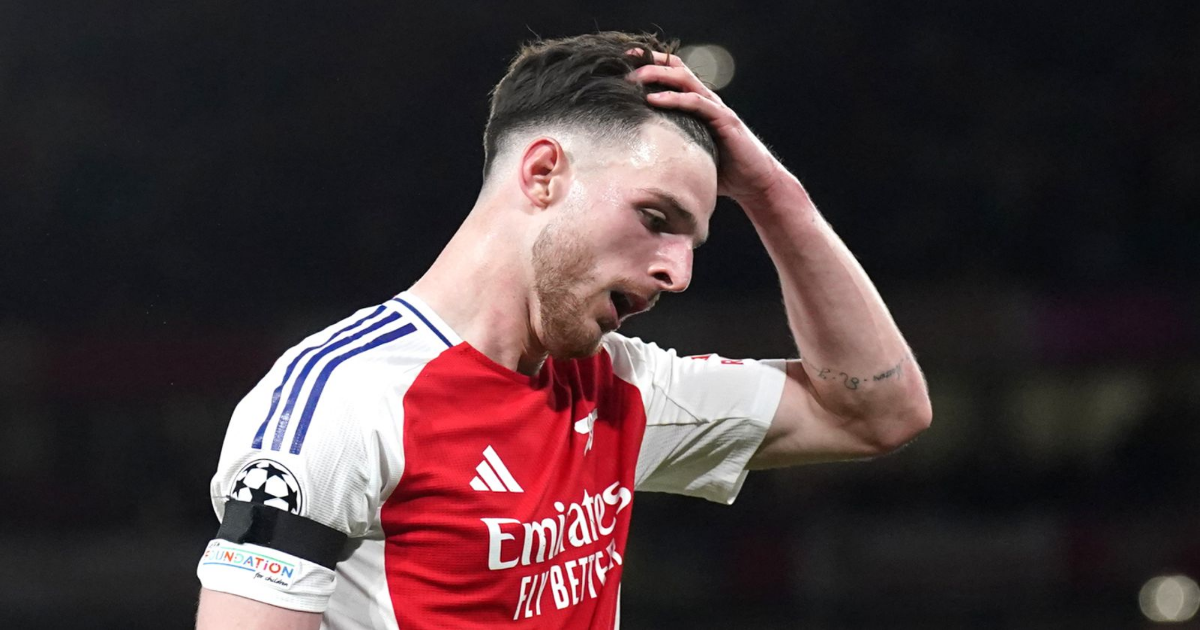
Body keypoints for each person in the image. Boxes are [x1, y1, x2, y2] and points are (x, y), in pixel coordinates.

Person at [194, 31, 931, 630]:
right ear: (544, 173)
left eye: (693, 243)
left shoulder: (621, 388)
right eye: (656, 218)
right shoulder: (344, 398)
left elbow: (875, 412)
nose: (678, 273)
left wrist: (776, 196)